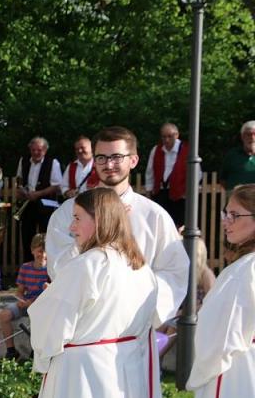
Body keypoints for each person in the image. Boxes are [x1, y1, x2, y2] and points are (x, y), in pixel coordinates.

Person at [26, 187, 176, 398]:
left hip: (82, 377)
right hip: (124, 372)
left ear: (101, 220)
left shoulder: (86, 266)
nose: (71, 227)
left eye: (78, 218)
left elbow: (50, 326)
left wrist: (44, 352)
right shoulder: (139, 267)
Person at [46, 126, 189, 326]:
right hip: (84, 327)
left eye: (117, 157)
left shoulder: (154, 216)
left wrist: (140, 309)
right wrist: (94, 233)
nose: (109, 164)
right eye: (101, 157)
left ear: (133, 160)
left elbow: (174, 272)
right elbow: (57, 268)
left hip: (133, 328)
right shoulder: (67, 212)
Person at [180, 184, 255, 398]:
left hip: (233, 372)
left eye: (235, 215)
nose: (226, 220)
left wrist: (201, 372)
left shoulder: (244, 271)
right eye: (226, 213)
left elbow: (223, 335)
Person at [0, 233, 49, 359]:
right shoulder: (25, 267)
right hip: (26, 303)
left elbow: (51, 294)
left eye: (45, 252)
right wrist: (21, 300)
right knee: (4, 315)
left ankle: (35, 350)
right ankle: (11, 351)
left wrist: (33, 302)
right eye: (39, 251)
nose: (42, 255)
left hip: (42, 305)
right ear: (32, 250)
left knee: (35, 315)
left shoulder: (51, 269)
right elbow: (20, 291)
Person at [15, 137, 62, 262]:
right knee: (27, 236)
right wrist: (21, 190)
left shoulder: (53, 163)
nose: (36, 152)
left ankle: (46, 266)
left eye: (39, 150)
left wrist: (38, 194)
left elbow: (57, 186)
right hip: (28, 204)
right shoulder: (23, 161)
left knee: (45, 237)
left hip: (45, 205)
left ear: (45, 150)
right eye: (33, 150)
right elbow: (19, 179)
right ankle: (28, 265)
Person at [145, 123, 197, 228]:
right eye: (164, 137)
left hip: (180, 195)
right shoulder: (156, 150)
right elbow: (150, 172)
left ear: (177, 135)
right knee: (160, 224)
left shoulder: (187, 150)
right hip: (161, 193)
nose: (167, 140)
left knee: (179, 226)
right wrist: (149, 193)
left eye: (170, 136)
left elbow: (197, 173)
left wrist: (188, 191)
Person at [218, 120, 255, 191]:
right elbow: (223, 179)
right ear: (242, 137)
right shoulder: (232, 154)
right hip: (236, 196)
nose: (252, 138)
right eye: (248, 134)